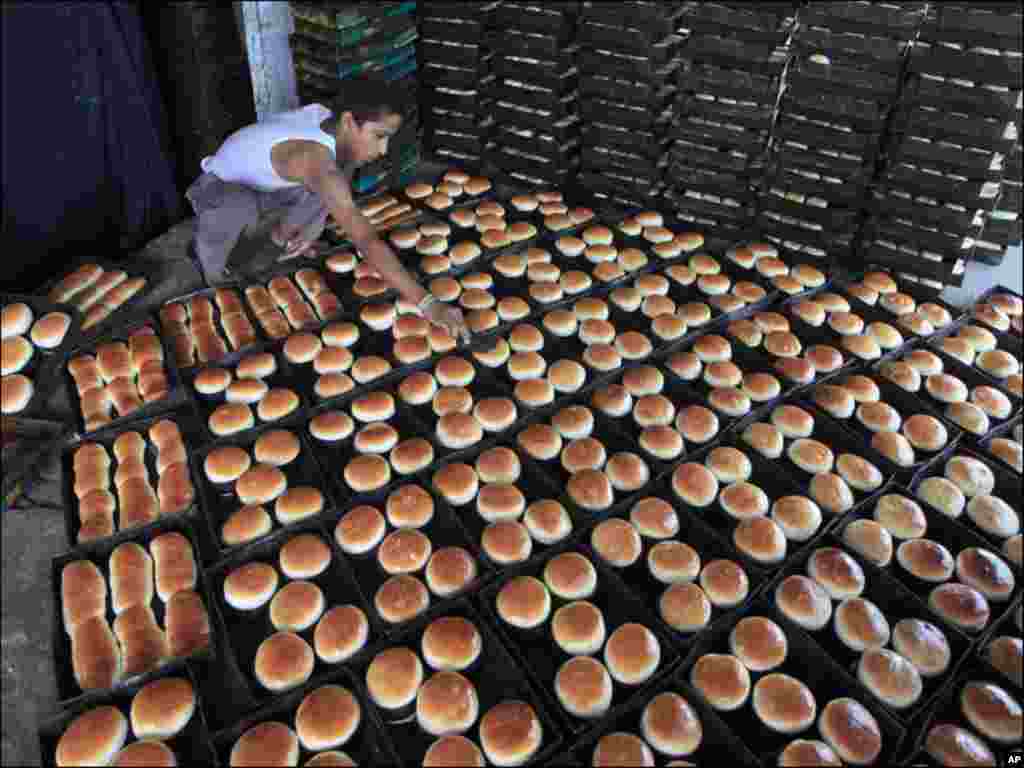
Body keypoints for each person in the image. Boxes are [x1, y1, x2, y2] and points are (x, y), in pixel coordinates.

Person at [184, 76, 469, 340]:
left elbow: (340, 175)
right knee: (235, 214)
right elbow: (366, 240)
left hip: (270, 181)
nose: (383, 150)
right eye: (379, 136)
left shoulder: (329, 122)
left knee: (328, 193)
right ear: (348, 121)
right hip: (221, 187)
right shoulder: (314, 159)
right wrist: (428, 303)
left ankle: (280, 238)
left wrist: (313, 226)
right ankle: (208, 263)